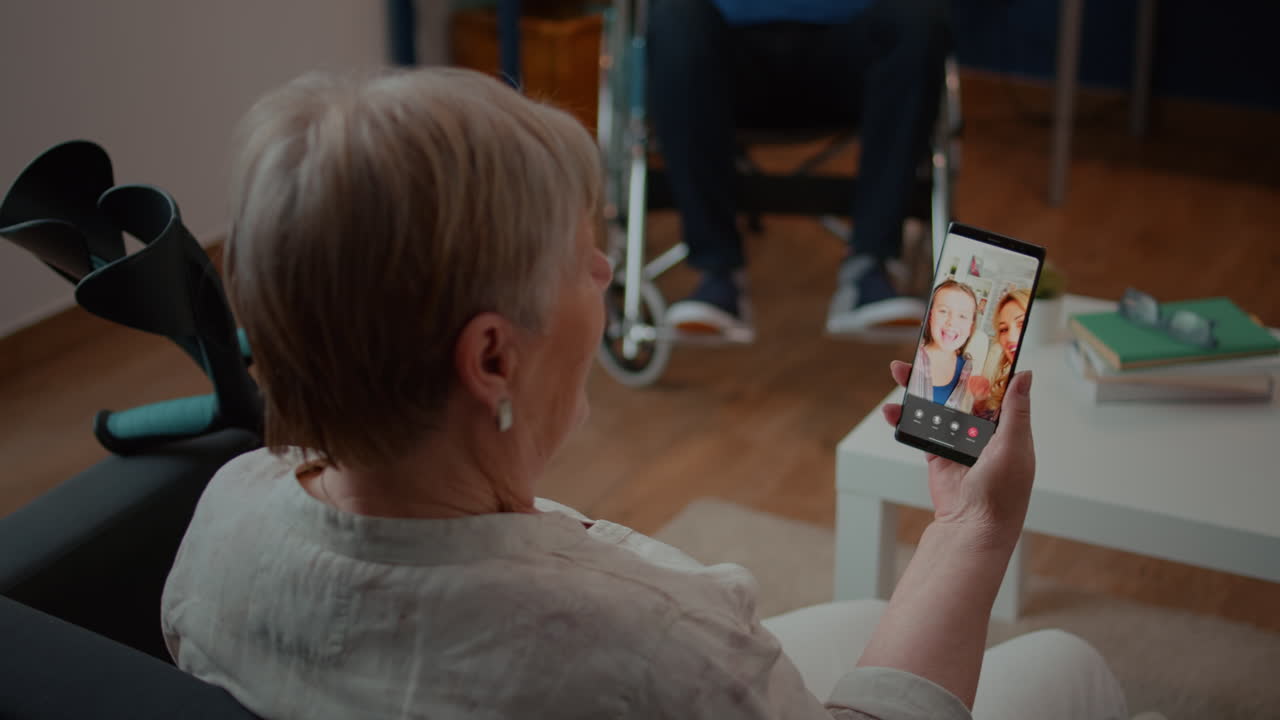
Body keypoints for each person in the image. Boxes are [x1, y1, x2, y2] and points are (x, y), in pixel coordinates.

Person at [161, 67, 1136, 719]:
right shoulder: (653, 652)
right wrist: (971, 532)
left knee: (854, 621)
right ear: (492, 359)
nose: (601, 269)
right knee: (1070, 666)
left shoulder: (224, 516)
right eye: (573, 257)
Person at [649, 0, 950, 341]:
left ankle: (870, 266)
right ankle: (718, 272)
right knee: (674, 13)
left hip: (849, 53)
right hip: (725, 54)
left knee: (918, 16)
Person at [908, 279, 982, 412]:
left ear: (971, 327)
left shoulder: (968, 368)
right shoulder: (913, 356)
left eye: (963, 316)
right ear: (930, 317)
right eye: (943, 311)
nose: (951, 322)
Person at [973, 288, 1031, 421]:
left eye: (1022, 324)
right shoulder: (1006, 385)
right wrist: (980, 401)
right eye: (1004, 329)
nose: (1010, 337)